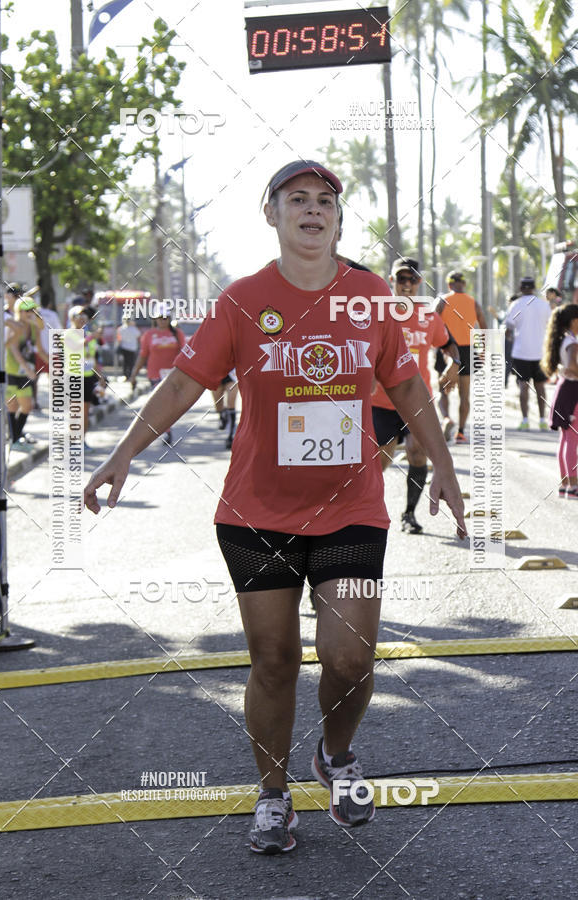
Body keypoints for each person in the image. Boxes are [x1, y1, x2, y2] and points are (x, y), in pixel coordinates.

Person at [84, 160, 466, 855]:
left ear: (338, 219)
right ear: (274, 215)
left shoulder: (371, 297)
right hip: (255, 512)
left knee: (349, 658)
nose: (313, 210)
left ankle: (337, 755)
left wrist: (441, 466)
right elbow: (182, 385)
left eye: (325, 201)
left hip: (351, 508)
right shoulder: (241, 300)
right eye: (298, 199)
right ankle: (272, 795)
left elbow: (409, 391)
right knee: (274, 659)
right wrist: (122, 455)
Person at [371, 258, 461, 534]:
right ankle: (370, 513)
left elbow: (450, 346)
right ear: (391, 280)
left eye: (412, 280)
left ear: (419, 282)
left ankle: (409, 514)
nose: (407, 285)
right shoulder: (377, 313)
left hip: (417, 399)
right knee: (380, 461)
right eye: (401, 279)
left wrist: (453, 366)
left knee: (417, 453)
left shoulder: (428, 316)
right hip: (381, 402)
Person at [435, 271, 487, 443]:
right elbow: (484, 327)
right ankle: (461, 433)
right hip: (468, 349)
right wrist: (483, 350)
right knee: (465, 395)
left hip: (447, 348)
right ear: (463, 284)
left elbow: (431, 321)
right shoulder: (474, 302)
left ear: (449, 285)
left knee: (443, 391)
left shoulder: (442, 300)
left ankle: (446, 419)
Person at [129, 307, 186, 444]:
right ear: (155, 319)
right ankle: (166, 431)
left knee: (169, 405)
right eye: (160, 318)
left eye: (165, 318)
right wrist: (134, 374)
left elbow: (184, 353)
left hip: (173, 374)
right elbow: (143, 356)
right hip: (155, 374)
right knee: (161, 404)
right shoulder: (149, 335)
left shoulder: (177, 333)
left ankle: (166, 428)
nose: (162, 321)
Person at [504, 276, 551, 430]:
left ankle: (525, 420)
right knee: (541, 387)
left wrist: (511, 338)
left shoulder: (515, 305)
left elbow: (508, 329)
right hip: (540, 352)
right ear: (533, 288)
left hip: (521, 352)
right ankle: (543, 420)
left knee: (523, 387)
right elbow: (550, 326)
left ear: (521, 288)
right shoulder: (544, 305)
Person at [542, 303, 578, 498]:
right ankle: (574, 486)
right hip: (573, 390)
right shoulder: (572, 342)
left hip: (564, 389)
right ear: (574, 321)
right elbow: (573, 366)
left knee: (566, 439)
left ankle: (565, 484)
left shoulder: (562, 339)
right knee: (573, 439)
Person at [5, 296, 44, 451]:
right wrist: (28, 370)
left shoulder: (34, 328)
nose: (29, 313)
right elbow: (13, 349)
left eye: (32, 310)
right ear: (18, 311)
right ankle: (14, 440)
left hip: (25, 373)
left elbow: (40, 350)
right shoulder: (14, 326)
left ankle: (16, 437)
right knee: (12, 406)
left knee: (27, 406)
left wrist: (57, 365)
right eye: (26, 310)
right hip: (12, 371)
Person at [68, 306, 106, 451]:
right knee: (75, 411)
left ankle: (82, 441)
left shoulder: (89, 335)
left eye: (84, 315)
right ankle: (73, 442)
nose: (82, 318)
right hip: (74, 376)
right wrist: (90, 337)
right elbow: (75, 347)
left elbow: (93, 358)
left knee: (85, 411)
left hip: (88, 377)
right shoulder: (69, 334)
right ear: (72, 318)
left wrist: (100, 377)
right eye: (78, 315)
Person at [212, 371, 240, 449]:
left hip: (231, 374)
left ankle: (231, 436)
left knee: (231, 404)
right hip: (216, 373)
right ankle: (222, 415)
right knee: (218, 405)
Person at [117, 316, 140, 380]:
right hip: (132, 348)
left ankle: (125, 375)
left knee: (125, 363)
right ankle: (130, 375)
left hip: (124, 347)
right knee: (131, 363)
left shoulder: (121, 328)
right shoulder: (133, 328)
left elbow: (119, 338)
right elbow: (138, 335)